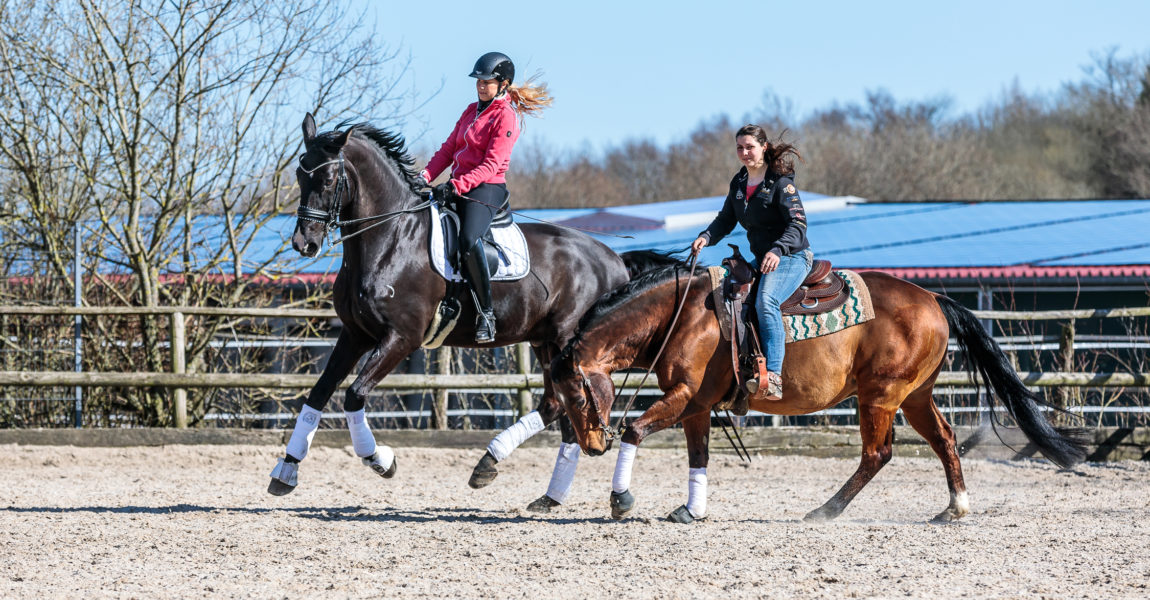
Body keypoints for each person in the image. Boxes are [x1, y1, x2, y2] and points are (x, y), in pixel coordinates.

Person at [418, 52, 552, 343]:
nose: (480, 85)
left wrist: (457, 186)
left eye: (487, 81)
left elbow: (492, 165)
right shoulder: (470, 111)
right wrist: (425, 177)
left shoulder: (505, 116)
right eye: (478, 80)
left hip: (486, 188)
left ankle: (486, 313)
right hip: (460, 184)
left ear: (503, 84)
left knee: (467, 239)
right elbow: (448, 148)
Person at [690, 124, 813, 400]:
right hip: (762, 259)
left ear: (764, 147)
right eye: (739, 148)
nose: (744, 153)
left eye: (750, 147)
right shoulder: (739, 183)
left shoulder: (782, 183)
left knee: (765, 301)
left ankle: (774, 376)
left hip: (791, 257)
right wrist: (706, 236)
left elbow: (798, 224)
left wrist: (778, 250)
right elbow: (725, 219)